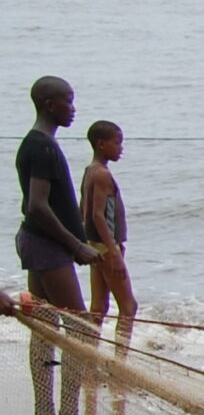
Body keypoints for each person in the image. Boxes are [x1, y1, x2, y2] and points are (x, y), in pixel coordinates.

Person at [16, 76, 103, 415]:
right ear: (49, 105)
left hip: (38, 244)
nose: (73, 108)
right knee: (81, 330)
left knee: (47, 326)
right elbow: (37, 206)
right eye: (68, 101)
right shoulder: (42, 148)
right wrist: (76, 246)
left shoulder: (39, 144)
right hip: (46, 247)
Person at [82, 120, 135, 328]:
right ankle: (119, 359)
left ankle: (89, 352)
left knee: (99, 307)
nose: (121, 148)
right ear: (101, 144)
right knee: (129, 306)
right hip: (106, 246)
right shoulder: (103, 174)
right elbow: (97, 215)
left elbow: (83, 211)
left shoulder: (90, 170)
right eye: (117, 143)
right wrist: (113, 252)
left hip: (94, 244)